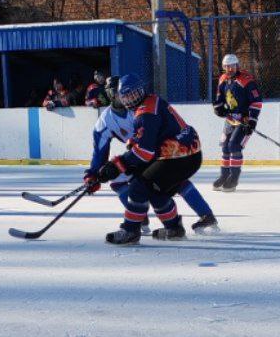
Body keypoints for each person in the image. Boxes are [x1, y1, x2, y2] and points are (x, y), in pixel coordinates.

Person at [83, 74, 217, 240]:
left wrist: (120, 163)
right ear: (111, 95)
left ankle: (133, 227)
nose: (125, 98)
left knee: (148, 186)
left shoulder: (144, 110)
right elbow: (100, 151)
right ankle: (153, 221)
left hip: (168, 154)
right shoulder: (108, 120)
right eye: (121, 94)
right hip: (161, 153)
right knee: (137, 186)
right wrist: (93, 174)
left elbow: (146, 147)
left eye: (128, 94)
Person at [212, 53, 264, 192]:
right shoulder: (223, 79)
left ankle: (233, 178)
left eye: (232, 66)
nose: (230, 69)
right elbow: (219, 99)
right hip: (230, 120)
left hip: (244, 121)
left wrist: (252, 121)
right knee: (225, 147)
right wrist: (218, 109)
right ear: (224, 67)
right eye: (227, 66)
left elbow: (257, 102)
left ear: (237, 66)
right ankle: (224, 175)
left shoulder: (246, 80)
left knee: (234, 146)